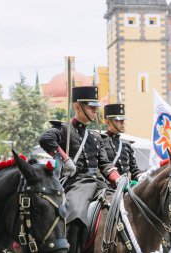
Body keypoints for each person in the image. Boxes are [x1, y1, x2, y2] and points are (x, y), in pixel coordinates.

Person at [39, 86, 120, 252]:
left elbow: (105, 164)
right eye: (91, 107)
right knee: (75, 213)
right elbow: (45, 138)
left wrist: (117, 179)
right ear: (77, 107)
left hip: (97, 183)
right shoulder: (64, 130)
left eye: (96, 108)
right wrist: (65, 158)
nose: (95, 111)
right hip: (75, 183)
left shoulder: (95, 137)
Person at [102, 103, 142, 180]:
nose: (122, 122)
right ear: (107, 122)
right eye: (118, 120)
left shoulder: (126, 144)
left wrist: (142, 177)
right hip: (107, 186)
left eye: (123, 119)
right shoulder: (101, 141)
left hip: (126, 186)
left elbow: (134, 170)